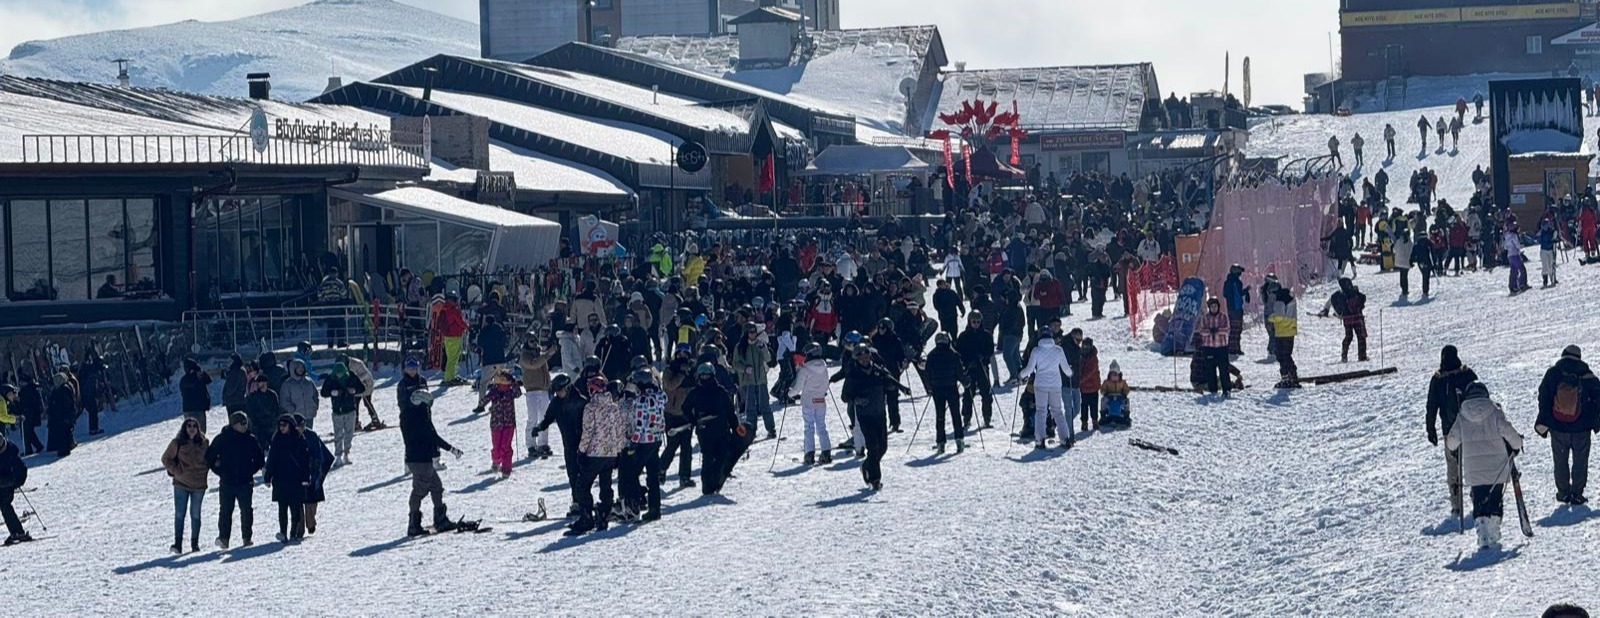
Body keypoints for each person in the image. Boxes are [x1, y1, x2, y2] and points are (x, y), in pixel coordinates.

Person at [1445, 382, 1523, 551]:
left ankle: (1482, 531)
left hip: (1474, 469)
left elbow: (1451, 443)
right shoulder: (1494, 410)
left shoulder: (1462, 414)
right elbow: (1508, 431)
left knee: (1479, 498)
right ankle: (1494, 529)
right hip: (1497, 467)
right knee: (1495, 498)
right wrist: (1517, 444)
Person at [1535, 345, 1600, 505]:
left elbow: (1543, 396)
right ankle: (1577, 493)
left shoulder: (1553, 373)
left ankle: (1563, 492)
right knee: (1580, 461)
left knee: (1560, 460)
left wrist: (1546, 420)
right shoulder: (1587, 375)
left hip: (1558, 427)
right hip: (1581, 429)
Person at [569, 377, 628, 536]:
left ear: (592, 390)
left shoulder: (591, 407)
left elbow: (587, 432)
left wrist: (581, 451)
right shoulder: (613, 407)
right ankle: (603, 514)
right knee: (606, 484)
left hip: (594, 453)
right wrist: (619, 451)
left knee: (583, 485)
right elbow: (619, 431)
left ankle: (586, 517)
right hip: (610, 454)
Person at [1426, 345, 1479, 519]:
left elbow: (1431, 406)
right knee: (1471, 463)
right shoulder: (1467, 374)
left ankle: (1456, 504)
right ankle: (1476, 497)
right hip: (1471, 427)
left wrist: (1431, 429)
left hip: (1450, 430)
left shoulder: (1438, 380)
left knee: (1453, 467)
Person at [401, 390, 462, 536]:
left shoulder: (406, 415)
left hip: (414, 458)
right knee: (419, 491)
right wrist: (451, 449)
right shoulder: (420, 417)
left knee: (436, 486)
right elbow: (433, 437)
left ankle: (440, 520)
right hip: (421, 459)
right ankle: (414, 524)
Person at [206, 411, 263, 549]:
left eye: (246, 423)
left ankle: (247, 538)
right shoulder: (222, 438)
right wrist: (220, 471)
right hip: (227, 482)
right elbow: (209, 457)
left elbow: (260, 459)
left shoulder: (250, 439)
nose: (245, 426)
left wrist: (250, 470)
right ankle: (224, 538)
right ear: (233, 425)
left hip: (245, 482)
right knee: (225, 511)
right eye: (241, 423)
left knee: (246, 511)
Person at [619, 369, 666, 522]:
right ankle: (655, 508)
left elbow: (640, 425)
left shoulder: (641, 401)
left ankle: (633, 507)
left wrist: (633, 442)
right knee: (652, 475)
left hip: (644, 441)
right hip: (656, 439)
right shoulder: (659, 397)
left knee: (631, 474)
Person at [161, 417, 210, 553]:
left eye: (195, 425)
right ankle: (178, 544)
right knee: (179, 514)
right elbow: (166, 458)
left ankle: (195, 544)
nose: (192, 428)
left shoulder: (204, 443)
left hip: (199, 485)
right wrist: (177, 471)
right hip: (181, 484)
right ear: (184, 428)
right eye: (189, 425)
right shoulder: (177, 443)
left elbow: (210, 459)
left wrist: (206, 469)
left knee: (195, 515)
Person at [1020, 332, 1074, 450]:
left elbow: (1029, 369)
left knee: (1041, 411)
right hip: (1055, 384)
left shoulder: (1036, 350)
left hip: (1040, 384)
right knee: (1057, 411)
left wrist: (1021, 374)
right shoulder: (1058, 350)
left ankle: (1040, 439)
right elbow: (1066, 369)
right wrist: (1071, 372)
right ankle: (1065, 438)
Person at [264, 415, 310, 542]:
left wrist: (306, 478)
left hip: (295, 479)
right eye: (280, 425)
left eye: (284, 425)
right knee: (282, 508)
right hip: (280, 479)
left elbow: (305, 461)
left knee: (295, 507)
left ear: (290, 425)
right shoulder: (277, 440)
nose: (282, 427)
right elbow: (271, 460)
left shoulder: (299, 440)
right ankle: (283, 532)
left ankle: (294, 531)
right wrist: (268, 476)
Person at [921, 332, 965, 453]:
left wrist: (930, 387)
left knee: (940, 416)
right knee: (955, 414)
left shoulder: (931, 355)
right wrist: (966, 382)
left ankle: (940, 442)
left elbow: (927, 374)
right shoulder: (953, 355)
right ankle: (959, 440)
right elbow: (959, 373)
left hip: (937, 389)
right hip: (951, 388)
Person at [731, 322, 775, 439]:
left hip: (761, 380)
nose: (753, 334)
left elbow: (768, 358)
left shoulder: (760, 344)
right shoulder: (740, 347)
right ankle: (751, 430)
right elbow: (735, 363)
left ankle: (771, 428)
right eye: (750, 332)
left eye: (754, 332)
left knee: (764, 405)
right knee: (750, 407)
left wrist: (763, 349)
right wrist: (745, 369)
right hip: (748, 381)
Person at [793, 346, 835, 465]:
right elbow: (826, 384)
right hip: (821, 401)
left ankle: (809, 454)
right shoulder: (824, 367)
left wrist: (789, 393)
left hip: (808, 402)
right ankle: (826, 452)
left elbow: (797, 388)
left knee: (809, 427)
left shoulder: (805, 369)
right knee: (821, 426)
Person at [320, 363, 365, 466]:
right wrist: (332, 392)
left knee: (349, 433)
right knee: (338, 434)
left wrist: (354, 390)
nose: (339, 375)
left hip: (350, 410)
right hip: (337, 411)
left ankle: (346, 453)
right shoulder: (331, 379)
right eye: (337, 374)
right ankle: (338, 455)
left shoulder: (352, 376)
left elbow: (361, 388)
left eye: (341, 373)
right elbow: (323, 392)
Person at [479, 368, 521, 478]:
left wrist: (514, 382)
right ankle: (496, 460)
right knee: (497, 446)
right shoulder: (494, 391)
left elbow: (518, 393)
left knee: (506, 446)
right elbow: (482, 402)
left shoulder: (511, 391)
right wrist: (491, 395)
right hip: (496, 424)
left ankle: (506, 468)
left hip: (509, 423)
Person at [519, 340, 557, 459]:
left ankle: (543, 443)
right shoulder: (524, 355)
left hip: (543, 390)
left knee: (544, 418)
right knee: (533, 418)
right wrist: (547, 355)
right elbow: (533, 364)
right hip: (532, 391)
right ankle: (531, 444)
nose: (534, 343)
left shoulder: (540, 353)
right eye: (531, 341)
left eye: (535, 341)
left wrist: (549, 385)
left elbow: (545, 370)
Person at [1321, 277, 1369, 363]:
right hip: (1357, 317)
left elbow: (1333, 302)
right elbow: (1363, 298)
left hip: (1347, 319)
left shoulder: (1340, 295)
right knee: (1361, 336)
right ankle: (1362, 356)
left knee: (1348, 337)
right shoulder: (1354, 292)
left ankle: (1344, 356)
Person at [1196, 298, 1231, 396]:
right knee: (1210, 370)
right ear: (1209, 308)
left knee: (1224, 370)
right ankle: (1213, 391)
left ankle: (1226, 390)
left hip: (1222, 347)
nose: (1214, 308)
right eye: (1212, 306)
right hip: (1209, 347)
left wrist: (1218, 330)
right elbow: (1201, 331)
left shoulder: (1223, 317)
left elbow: (1227, 330)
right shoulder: (1205, 318)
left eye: (1215, 306)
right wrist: (1209, 331)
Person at [0, 431, 29, 545]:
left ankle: (17, 532)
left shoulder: (11, 452)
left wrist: (16, 481)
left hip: (7, 483)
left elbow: (22, 470)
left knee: (5, 505)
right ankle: (16, 532)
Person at [340, 355, 384, 430]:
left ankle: (375, 419)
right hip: (357, 386)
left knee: (367, 402)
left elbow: (366, 374)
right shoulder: (345, 366)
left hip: (366, 383)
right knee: (355, 403)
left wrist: (356, 381)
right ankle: (355, 422)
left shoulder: (357, 364)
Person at [435, 293, 470, 385]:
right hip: (454, 336)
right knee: (453, 358)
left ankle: (452, 375)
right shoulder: (453, 310)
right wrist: (467, 327)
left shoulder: (444, 309)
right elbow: (460, 322)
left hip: (447, 336)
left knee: (450, 356)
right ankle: (449, 377)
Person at [1268, 288, 1299, 388]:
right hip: (1290, 332)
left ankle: (1286, 378)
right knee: (1287, 355)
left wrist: (1271, 317)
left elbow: (1279, 317)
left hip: (1281, 333)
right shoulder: (1292, 302)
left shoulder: (1279, 302)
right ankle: (1293, 376)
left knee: (1281, 356)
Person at [280, 359, 319, 431]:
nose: (301, 369)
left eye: (302, 367)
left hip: (309, 416)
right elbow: (284, 401)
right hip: (295, 418)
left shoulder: (309, 382)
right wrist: (293, 411)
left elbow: (315, 396)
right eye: (298, 367)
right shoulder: (287, 384)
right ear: (293, 368)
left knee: (309, 436)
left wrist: (315, 407)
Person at [179, 358, 213, 434]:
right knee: (201, 431)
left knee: (190, 432)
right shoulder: (199, 377)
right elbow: (209, 380)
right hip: (199, 409)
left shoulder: (183, 380)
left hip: (187, 409)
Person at [46, 372, 76, 458]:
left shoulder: (64, 390)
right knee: (63, 433)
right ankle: (64, 448)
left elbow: (65, 404)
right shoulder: (59, 389)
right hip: (61, 417)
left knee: (63, 433)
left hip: (63, 416)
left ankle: (64, 450)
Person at [1221, 265, 1249, 355]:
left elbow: (1225, 294)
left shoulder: (1227, 282)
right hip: (1236, 308)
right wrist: (1246, 290)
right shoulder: (1236, 282)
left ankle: (1232, 347)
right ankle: (1234, 348)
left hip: (1230, 307)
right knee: (1237, 328)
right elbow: (1239, 293)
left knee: (1233, 328)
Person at [15, 374, 44, 455]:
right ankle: (38, 446)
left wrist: (18, 400)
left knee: (26, 432)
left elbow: (24, 403)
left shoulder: (26, 390)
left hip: (27, 414)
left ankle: (28, 449)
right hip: (31, 414)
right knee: (29, 432)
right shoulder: (31, 389)